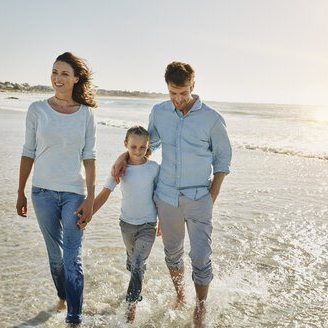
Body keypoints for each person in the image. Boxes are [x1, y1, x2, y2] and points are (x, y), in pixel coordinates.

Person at [112, 62, 232, 327]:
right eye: (172, 93)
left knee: (200, 256)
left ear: (193, 86)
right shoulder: (159, 112)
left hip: (200, 198)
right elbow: (147, 145)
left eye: (184, 93)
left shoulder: (211, 119)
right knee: (172, 254)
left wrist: (212, 196)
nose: (178, 99)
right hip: (166, 198)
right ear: (167, 88)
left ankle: (200, 308)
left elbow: (223, 160)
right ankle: (180, 295)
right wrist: (124, 155)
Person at [16, 52, 97, 326]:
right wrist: (21, 191)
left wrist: (91, 197)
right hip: (42, 193)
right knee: (56, 256)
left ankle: (74, 318)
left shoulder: (86, 114)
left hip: (74, 192)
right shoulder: (37, 110)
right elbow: (28, 151)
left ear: (76, 79)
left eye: (64, 73)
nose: (57, 78)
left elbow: (90, 155)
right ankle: (62, 296)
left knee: (72, 257)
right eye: (54, 72)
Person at [92, 126, 160, 323]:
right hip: (126, 225)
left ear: (148, 147)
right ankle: (136, 285)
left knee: (138, 264)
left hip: (148, 225)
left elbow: (160, 197)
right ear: (126, 145)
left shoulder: (154, 168)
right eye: (133, 147)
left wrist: (163, 221)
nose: (138, 151)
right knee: (133, 263)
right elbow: (105, 193)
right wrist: (88, 215)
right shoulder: (120, 169)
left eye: (142, 147)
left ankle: (131, 309)